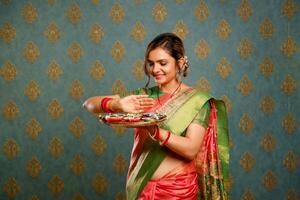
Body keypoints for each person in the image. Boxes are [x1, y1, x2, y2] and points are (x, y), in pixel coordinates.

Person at [83, 33, 230, 200]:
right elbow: (89, 104)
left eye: (163, 63)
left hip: (177, 190)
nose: (155, 70)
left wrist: (156, 131)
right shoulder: (142, 97)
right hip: (141, 186)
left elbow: (191, 150)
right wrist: (118, 104)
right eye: (151, 64)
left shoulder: (196, 101)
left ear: (180, 62)